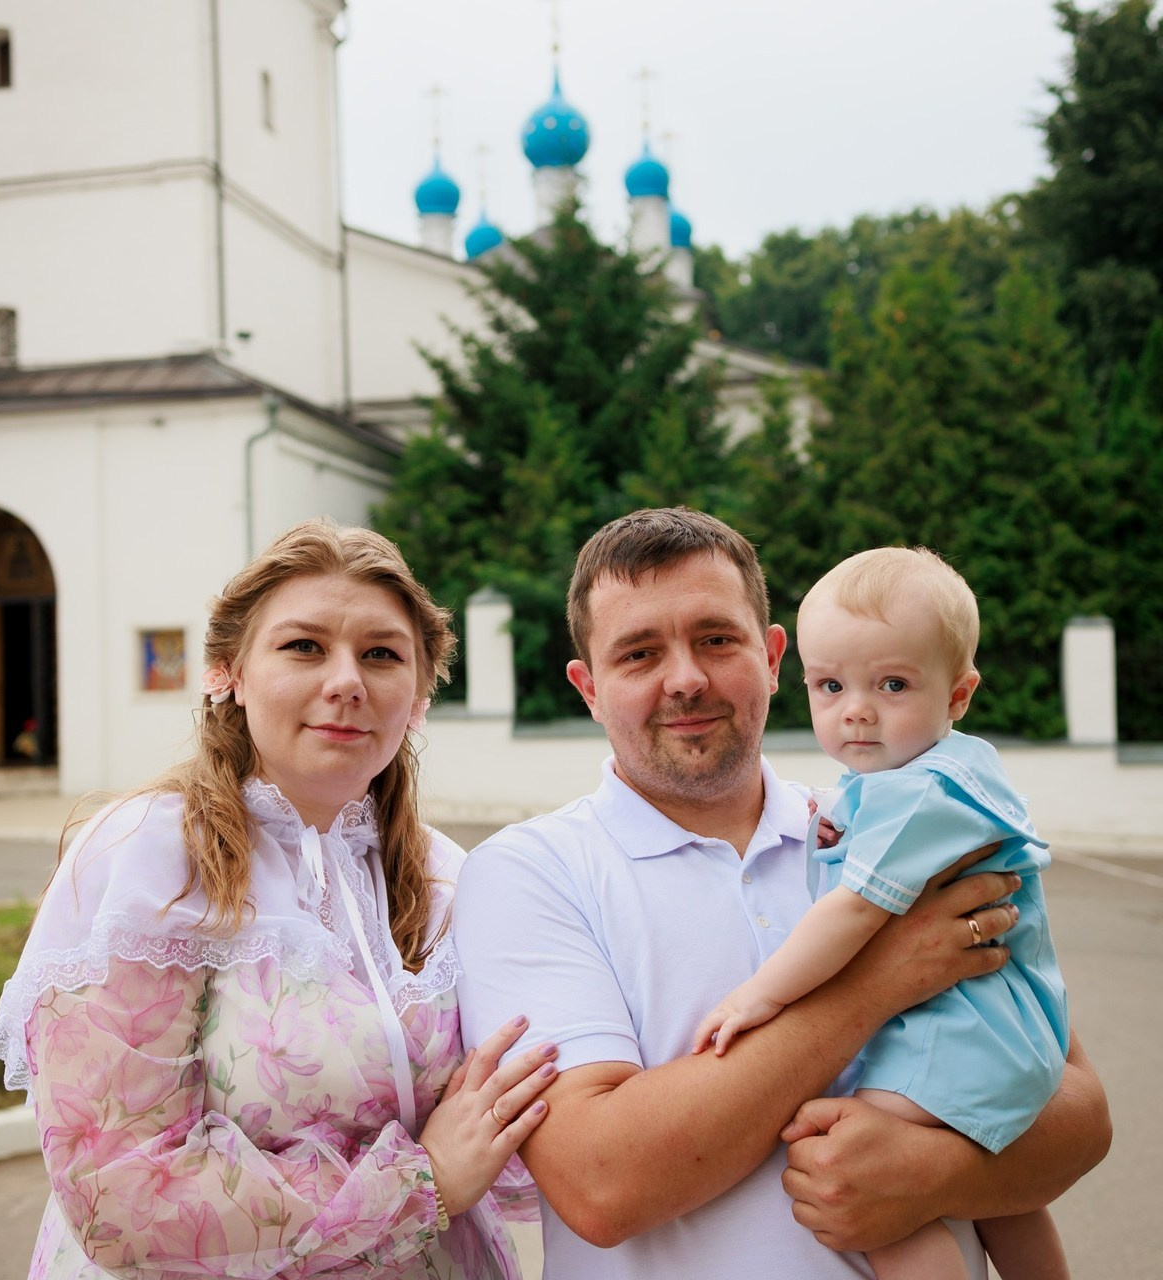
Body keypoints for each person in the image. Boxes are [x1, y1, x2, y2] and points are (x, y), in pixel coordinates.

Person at [453, 507, 1110, 1280]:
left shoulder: (884, 829)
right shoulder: (530, 872)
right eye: (638, 654)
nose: (686, 677)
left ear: (771, 658)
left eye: (716, 639)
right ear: (589, 688)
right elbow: (603, 1184)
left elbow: (1080, 1114)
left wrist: (934, 1171)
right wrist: (879, 982)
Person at [0, 519, 558, 1280]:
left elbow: (518, 1115)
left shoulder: (448, 876)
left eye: (382, 654)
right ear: (230, 670)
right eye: (304, 647)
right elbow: (117, 1193)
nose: (347, 681)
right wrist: (422, 1183)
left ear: (419, 693)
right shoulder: (149, 860)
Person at [692, 545, 1070, 1279]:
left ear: (958, 695)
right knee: (1004, 1200)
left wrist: (758, 994)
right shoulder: (955, 771)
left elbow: (853, 914)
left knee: (862, 1183)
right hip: (1012, 1037)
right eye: (830, 685)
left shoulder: (914, 795)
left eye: (892, 684)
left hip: (955, 1040)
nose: (856, 710)